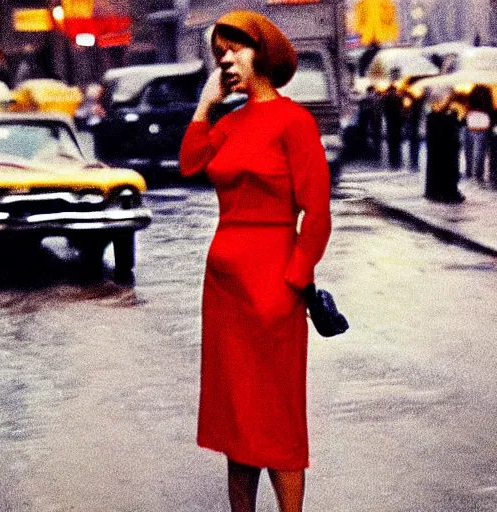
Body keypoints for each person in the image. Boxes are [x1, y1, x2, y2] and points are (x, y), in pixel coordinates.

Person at [179, 10, 331, 512]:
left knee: (278, 418)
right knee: (236, 421)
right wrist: (206, 104)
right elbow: (191, 162)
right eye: (219, 51)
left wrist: (294, 280)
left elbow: (318, 213)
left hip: (272, 284)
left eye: (234, 49)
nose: (225, 59)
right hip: (223, 289)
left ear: (261, 53)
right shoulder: (230, 122)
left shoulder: (294, 120)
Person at [464, 85, 493, 182]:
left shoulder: (473, 91)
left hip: (472, 122)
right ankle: (478, 175)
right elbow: (490, 107)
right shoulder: (487, 91)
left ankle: (470, 172)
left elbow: (468, 107)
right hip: (483, 123)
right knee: (480, 152)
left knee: (470, 151)